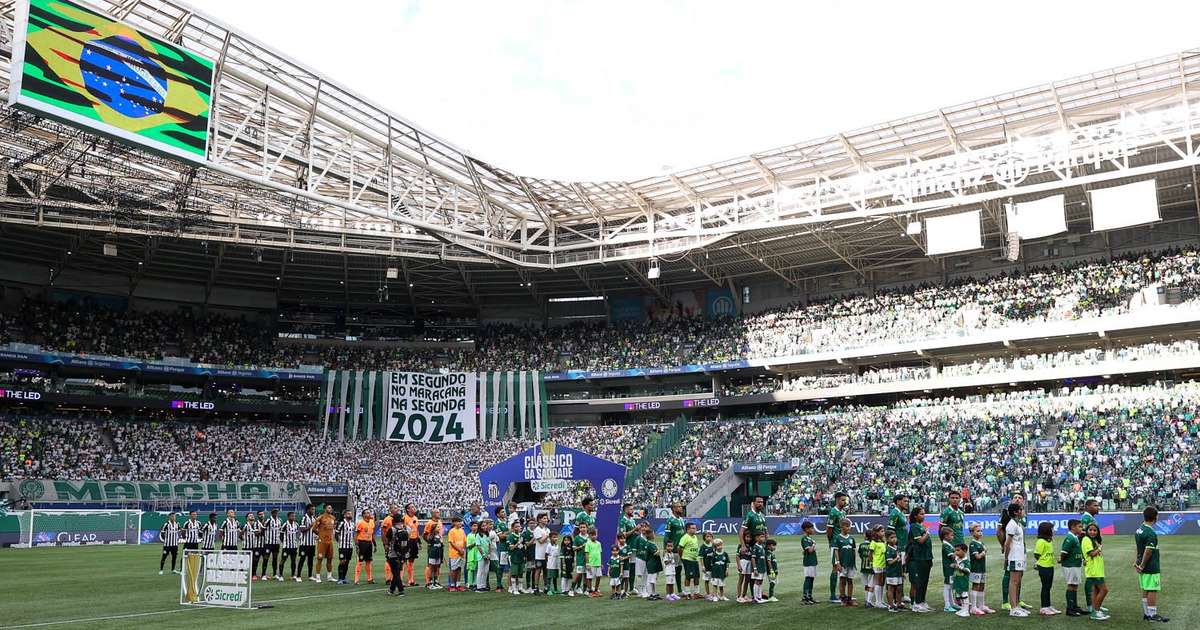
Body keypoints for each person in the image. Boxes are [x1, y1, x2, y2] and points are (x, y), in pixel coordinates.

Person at [1135, 506, 1168, 623]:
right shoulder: (1151, 532)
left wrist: (1138, 563)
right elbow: (1148, 551)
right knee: (1152, 589)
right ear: (1155, 517)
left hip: (1142, 565)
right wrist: (1143, 565)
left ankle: (1147, 613)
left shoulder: (1139, 529)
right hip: (1150, 566)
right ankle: (1152, 615)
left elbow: (1139, 548)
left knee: (1145, 588)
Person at [998, 494, 1030, 611]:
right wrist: (1005, 552)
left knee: (1018, 577)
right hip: (1013, 553)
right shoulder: (1009, 520)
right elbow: (1003, 536)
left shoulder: (1021, 518)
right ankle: (1009, 603)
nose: (1017, 499)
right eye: (1015, 497)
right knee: (1012, 578)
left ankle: (1016, 601)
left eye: (1020, 497)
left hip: (1020, 551)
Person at [907, 506, 932, 613]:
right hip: (919, 557)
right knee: (919, 581)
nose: (923, 515)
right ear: (915, 516)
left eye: (924, 513)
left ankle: (922, 602)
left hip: (926, 556)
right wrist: (927, 533)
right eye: (921, 514)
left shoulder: (920, 526)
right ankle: (916, 604)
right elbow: (920, 541)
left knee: (924, 581)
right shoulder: (914, 526)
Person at [1060, 518, 1087, 616]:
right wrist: (1062, 560)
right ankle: (1070, 608)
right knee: (1071, 585)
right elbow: (1064, 552)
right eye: (1079, 527)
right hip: (1070, 565)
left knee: (1075, 585)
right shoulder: (1070, 538)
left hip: (1075, 564)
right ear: (1072, 527)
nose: (1081, 528)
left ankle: (1074, 606)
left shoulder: (1075, 537)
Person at [1082, 522, 1108, 620]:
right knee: (1104, 590)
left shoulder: (1094, 540)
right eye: (1090, 530)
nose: (1093, 532)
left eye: (1095, 530)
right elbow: (1092, 554)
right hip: (1093, 570)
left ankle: (1095, 610)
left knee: (1096, 591)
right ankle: (1095, 611)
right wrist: (1099, 548)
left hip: (1097, 569)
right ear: (1087, 531)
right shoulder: (1086, 539)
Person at [1033, 521, 1060, 616]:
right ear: (1047, 530)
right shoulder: (1041, 541)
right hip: (1044, 566)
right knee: (1045, 586)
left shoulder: (1049, 541)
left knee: (1048, 587)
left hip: (1049, 566)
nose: (1054, 530)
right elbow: (1037, 554)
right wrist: (1040, 563)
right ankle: (1044, 607)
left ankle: (1048, 606)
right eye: (1052, 529)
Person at [827, 491, 849, 603]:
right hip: (836, 544)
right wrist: (831, 543)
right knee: (835, 567)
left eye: (845, 500)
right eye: (842, 500)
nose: (844, 502)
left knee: (843, 568)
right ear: (837, 500)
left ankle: (842, 594)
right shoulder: (833, 512)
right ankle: (832, 595)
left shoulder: (843, 512)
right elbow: (829, 529)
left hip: (843, 543)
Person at [967, 523, 994, 615]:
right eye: (978, 531)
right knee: (976, 586)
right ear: (972, 533)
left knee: (982, 586)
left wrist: (983, 552)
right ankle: (973, 607)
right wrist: (983, 552)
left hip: (982, 568)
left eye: (981, 531)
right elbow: (977, 556)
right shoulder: (972, 544)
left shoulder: (981, 543)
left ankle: (981, 605)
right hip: (976, 568)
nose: (980, 533)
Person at [887, 495, 909, 605]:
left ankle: (901, 595)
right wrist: (894, 546)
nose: (907, 503)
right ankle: (896, 597)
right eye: (905, 501)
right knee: (897, 571)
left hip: (903, 546)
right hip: (898, 547)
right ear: (898, 502)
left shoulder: (901, 513)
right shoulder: (894, 513)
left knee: (902, 571)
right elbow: (890, 531)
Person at [1081, 498, 1101, 612]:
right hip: (1089, 552)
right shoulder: (1085, 518)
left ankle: (1096, 603)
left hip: (1094, 550)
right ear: (1088, 507)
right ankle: (1090, 605)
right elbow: (1083, 535)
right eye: (1095, 505)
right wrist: (1084, 555)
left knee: (1095, 578)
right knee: (1091, 579)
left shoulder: (1091, 518)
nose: (1098, 507)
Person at [382, 514, 408, 597]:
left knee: (395, 573)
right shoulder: (406, 529)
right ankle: (391, 590)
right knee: (396, 572)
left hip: (393, 553)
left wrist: (386, 547)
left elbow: (388, 541)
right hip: (402, 553)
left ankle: (401, 590)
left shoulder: (392, 529)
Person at [832, 518, 856, 607]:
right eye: (848, 526)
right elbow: (836, 551)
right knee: (842, 581)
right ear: (842, 527)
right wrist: (838, 562)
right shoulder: (838, 538)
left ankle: (849, 599)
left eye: (849, 526)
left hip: (850, 564)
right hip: (842, 563)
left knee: (850, 580)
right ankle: (842, 598)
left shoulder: (851, 538)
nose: (849, 528)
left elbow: (853, 551)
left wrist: (854, 563)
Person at [619, 503, 640, 594]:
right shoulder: (623, 521)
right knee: (626, 568)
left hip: (634, 547)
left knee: (633, 567)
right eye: (630, 509)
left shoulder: (632, 520)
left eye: (632, 509)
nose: (632, 511)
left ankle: (631, 588)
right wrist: (635, 529)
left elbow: (633, 533)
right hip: (626, 547)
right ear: (626, 510)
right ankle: (622, 588)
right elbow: (623, 535)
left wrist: (638, 532)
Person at [664, 501, 686, 591]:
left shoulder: (681, 519)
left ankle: (681, 589)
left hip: (682, 549)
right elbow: (666, 536)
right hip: (674, 550)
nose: (681, 508)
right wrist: (666, 549)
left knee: (680, 569)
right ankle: (676, 590)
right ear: (673, 509)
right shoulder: (670, 520)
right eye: (678, 507)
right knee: (675, 570)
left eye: (681, 506)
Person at [314, 504, 337, 583]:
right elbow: (314, 529)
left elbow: (333, 529)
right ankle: (318, 577)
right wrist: (320, 535)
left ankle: (329, 576)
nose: (330, 509)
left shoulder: (333, 518)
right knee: (320, 559)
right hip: (322, 542)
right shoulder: (320, 518)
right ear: (325, 509)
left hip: (330, 542)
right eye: (329, 508)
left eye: (331, 508)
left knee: (330, 559)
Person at [938, 526, 958, 613]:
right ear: (946, 536)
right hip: (948, 569)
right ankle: (947, 605)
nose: (953, 537)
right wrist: (959, 553)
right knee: (947, 586)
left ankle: (952, 603)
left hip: (951, 568)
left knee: (950, 586)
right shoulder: (945, 545)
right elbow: (952, 556)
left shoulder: (949, 544)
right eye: (951, 535)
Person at [333, 509, 355, 585]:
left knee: (347, 562)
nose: (350, 515)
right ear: (345, 515)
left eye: (351, 514)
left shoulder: (352, 524)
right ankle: (340, 578)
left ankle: (344, 578)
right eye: (348, 514)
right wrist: (339, 542)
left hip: (350, 546)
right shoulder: (341, 523)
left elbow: (353, 535)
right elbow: (336, 533)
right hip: (343, 546)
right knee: (342, 561)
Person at [679, 522, 700, 600]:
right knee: (688, 576)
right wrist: (682, 557)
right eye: (693, 528)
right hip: (687, 559)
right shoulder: (685, 537)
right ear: (688, 529)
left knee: (697, 576)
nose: (695, 530)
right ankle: (687, 593)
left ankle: (696, 593)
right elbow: (680, 548)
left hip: (695, 559)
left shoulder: (695, 537)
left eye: (695, 528)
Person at [354, 508, 376, 585]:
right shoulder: (360, 523)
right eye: (366, 513)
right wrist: (356, 544)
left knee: (369, 561)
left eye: (369, 512)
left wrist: (374, 544)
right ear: (363, 515)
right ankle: (356, 579)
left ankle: (369, 578)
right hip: (362, 543)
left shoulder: (372, 522)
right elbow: (356, 534)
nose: (368, 514)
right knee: (360, 561)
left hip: (369, 543)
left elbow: (372, 534)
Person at [423, 508, 444, 588]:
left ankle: (436, 581)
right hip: (432, 546)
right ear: (433, 514)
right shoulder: (429, 523)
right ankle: (429, 582)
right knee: (431, 564)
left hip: (439, 546)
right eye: (437, 512)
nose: (439, 513)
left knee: (438, 565)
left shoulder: (440, 522)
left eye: (439, 512)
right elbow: (425, 535)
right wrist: (430, 542)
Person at [402, 504, 421, 586]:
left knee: (411, 560)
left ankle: (411, 580)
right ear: (408, 510)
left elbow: (416, 530)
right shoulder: (404, 518)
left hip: (414, 541)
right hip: (407, 541)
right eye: (412, 507)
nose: (414, 508)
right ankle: (400, 580)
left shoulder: (415, 518)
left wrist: (418, 541)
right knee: (403, 560)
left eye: (414, 506)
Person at [885, 531, 904, 612]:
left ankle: (899, 604)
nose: (894, 539)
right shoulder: (888, 549)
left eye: (895, 537)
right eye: (891, 538)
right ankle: (891, 605)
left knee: (899, 588)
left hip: (898, 572)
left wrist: (902, 572)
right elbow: (889, 562)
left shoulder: (897, 548)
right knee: (891, 588)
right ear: (887, 539)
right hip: (891, 573)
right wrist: (896, 559)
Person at [800, 520, 818, 605]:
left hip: (812, 561)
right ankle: (805, 597)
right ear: (806, 529)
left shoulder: (809, 538)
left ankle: (810, 596)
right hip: (808, 561)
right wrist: (814, 545)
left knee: (811, 578)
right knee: (808, 578)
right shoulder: (804, 539)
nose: (813, 529)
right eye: (811, 528)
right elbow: (810, 550)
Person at [531, 513, 550, 595]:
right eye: (544, 518)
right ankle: (536, 587)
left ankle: (546, 587)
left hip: (546, 554)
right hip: (539, 554)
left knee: (546, 571)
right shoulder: (537, 530)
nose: (546, 520)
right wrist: (547, 536)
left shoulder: (547, 529)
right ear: (539, 520)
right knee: (538, 570)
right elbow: (540, 541)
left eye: (546, 518)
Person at [446, 516, 466, 592]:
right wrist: (459, 550)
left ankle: (458, 584)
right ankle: (452, 585)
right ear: (454, 523)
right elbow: (451, 543)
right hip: (454, 553)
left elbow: (464, 541)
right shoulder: (452, 531)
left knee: (459, 569)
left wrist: (463, 549)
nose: (460, 523)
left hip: (461, 553)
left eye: (460, 521)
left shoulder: (462, 530)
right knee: (453, 570)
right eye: (458, 521)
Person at [506, 520, 525, 595]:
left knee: (520, 573)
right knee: (513, 573)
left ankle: (520, 588)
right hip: (513, 556)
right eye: (516, 526)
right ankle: (513, 589)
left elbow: (523, 546)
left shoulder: (521, 535)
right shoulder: (510, 536)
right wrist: (518, 543)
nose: (518, 528)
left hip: (520, 556)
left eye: (519, 526)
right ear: (513, 528)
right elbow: (511, 548)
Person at [952, 543, 971, 618]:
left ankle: (966, 611)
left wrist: (959, 567)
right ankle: (963, 609)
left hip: (963, 581)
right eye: (955, 550)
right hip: (957, 581)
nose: (956, 552)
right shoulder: (957, 559)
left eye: (958, 550)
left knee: (964, 595)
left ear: (965, 551)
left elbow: (968, 571)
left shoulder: (966, 561)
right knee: (959, 595)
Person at [243, 512, 263, 581]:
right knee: (246, 561)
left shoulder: (257, 524)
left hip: (255, 546)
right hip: (246, 546)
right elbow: (241, 535)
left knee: (255, 560)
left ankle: (253, 574)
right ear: (247, 518)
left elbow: (259, 534)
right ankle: (244, 574)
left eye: (252, 515)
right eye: (250, 516)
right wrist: (244, 539)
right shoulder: (245, 525)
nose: (252, 516)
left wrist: (258, 532)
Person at [263, 508, 282, 581]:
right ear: (271, 513)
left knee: (275, 558)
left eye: (276, 512)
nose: (275, 514)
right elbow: (263, 529)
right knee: (266, 558)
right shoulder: (268, 520)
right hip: (268, 543)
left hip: (276, 543)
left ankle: (275, 574)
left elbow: (280, 531)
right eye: (274, 512)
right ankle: (264, 574)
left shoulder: (279, 520)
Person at [299, 504, 317, 581]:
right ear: (308, 510)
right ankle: (298, 576)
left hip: (312, 543)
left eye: (314, 509)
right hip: (304, 543)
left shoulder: (314, 518)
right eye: (312, 509)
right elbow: (302, 530)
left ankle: (310, 575)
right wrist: (310, 526)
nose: (313, 511)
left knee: (310, 560)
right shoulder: (304, 518)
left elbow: (315, 529)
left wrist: (318, 534)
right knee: (302, 559)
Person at [643, 528, 662, 601]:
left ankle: (654, 593)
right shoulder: (649, 544)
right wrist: (661, 551)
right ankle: (650, 594)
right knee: (651, 579)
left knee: (653, 579)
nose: (654, 535)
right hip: (652, 564)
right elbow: (656, 553)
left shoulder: (651, 543)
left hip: (654, 563)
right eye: (653, 533)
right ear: (650, 535)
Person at [281, 511, 300, 582]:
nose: (293, 517)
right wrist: (284, 543)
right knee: (283, 561)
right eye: (292, 516)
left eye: (294, 516)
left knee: (293, 561)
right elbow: (281, 535)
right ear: (288, 517)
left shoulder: (296, 524)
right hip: (286, 547)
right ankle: (281, 575)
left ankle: (293, 575)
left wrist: (297, 539)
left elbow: (298, 533)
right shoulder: (285, 524)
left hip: (294, 547)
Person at [474, 520, 492, 593]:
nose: (485, 527)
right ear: (480, 527)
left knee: (486, 571)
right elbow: (478, 546)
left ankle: (483, 585)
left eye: (485, 525)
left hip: (487, 556)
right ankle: (479, 586)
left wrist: (489, 554)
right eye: (483, 526)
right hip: (481, 556)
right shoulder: (478, 535)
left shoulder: (487, 534)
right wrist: (483, 555)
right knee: (480, 571)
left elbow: (489, 545)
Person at [570, 523, 588, 596]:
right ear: (579, 529)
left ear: (587, 528)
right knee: (578, 574)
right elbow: (574, 548)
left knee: (586, 575)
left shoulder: (589, 537)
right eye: (581, 527)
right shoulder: (577, 538)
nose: (582, 529)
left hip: (588, 559)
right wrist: (581, 546)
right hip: (580, 558)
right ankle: (571, 589)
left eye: (584, 527)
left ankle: (585, 589)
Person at [699, 531, 715, 600]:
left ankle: (714, 593)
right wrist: (702, 566)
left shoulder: (713, 545)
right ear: (704, 538)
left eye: (710, 536)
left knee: (714, 581)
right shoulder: (703, 546)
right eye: (707, 536)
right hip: (707, 567)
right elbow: (701, 557)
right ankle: (708, 594)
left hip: (713, 567)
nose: (709, 538)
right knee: (707, 580)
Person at [546, 530, 562, 596]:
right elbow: (546, 554)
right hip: (550, 564)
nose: (555, 538)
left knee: (555, 577)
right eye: (553, 537)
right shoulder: (549, 545)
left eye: (556, 537)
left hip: (556, 564)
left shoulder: (557, 545)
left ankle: (555, 589)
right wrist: (548, 562)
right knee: (549, 577)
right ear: (550, 538)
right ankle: (548, 589)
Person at [766, 538, 780, 603]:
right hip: (771, 571)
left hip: (774, 571)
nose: (775, 547)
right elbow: (768, 561)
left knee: (773, 583)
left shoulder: (771, 553)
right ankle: (771, 596)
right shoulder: (768, 553)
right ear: (769, 546)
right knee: (772, 583)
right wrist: (771, 570)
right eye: (774, 546)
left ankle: (771, 596)